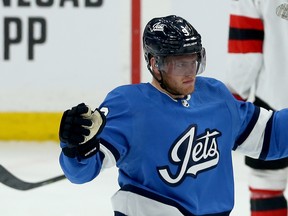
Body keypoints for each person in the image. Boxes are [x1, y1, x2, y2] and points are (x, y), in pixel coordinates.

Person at [59, 15, 288, 216]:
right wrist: (74, 148)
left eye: (194, 61)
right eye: (180, 64)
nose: (190, 72)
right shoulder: (129, 105)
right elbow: (82, 172)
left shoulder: (215, 97)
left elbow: (273, 137)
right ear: (154, 64)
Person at [226, 1, 288, 215]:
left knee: (266, 184)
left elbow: (246, 56)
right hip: (272, 101)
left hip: (273, 103)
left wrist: (230, 102)